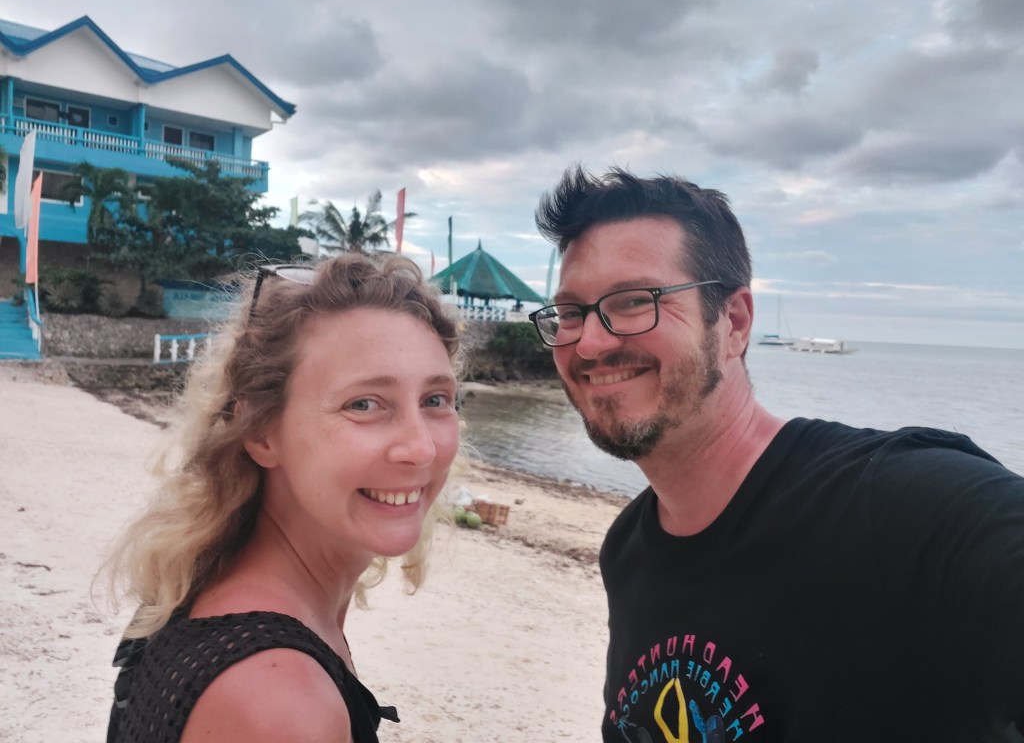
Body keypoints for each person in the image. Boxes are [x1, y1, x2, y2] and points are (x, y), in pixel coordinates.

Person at [529, 165, 1024, 743]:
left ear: (734, 323)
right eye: (569, 313)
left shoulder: (902, 505)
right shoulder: (629, 548)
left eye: (636, 301)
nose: (589, 342)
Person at [103, 253, 462, 743]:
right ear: (262, 431)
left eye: (435, 400)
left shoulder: (210, 582)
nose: (421, 448)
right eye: (364, 404)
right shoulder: (282, 702)